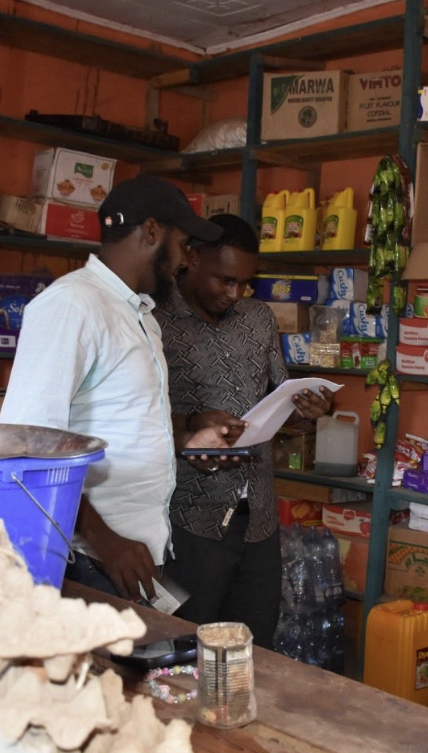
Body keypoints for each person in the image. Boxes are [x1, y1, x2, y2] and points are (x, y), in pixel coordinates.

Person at [0, 175, 232, 601]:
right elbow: (26, 443)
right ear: (152, 232)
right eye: (183, 244)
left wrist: (185, 437)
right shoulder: (72, 305)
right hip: (87, 558)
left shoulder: (140, 315)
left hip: (132, 554)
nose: (185, 261)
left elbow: (124, 417)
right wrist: (103, 540)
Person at [155, 213, 334, 647]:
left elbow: (279, 395)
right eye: (225, 280)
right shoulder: (156, 322)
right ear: (192, 258)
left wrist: (308, 407)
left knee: (254, 647)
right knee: (184, 646)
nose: (234, 294)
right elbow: (137, 418)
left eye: (245, 283)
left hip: (259, 518)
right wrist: (192, 427)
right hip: (187, 518)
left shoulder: (258, 319)